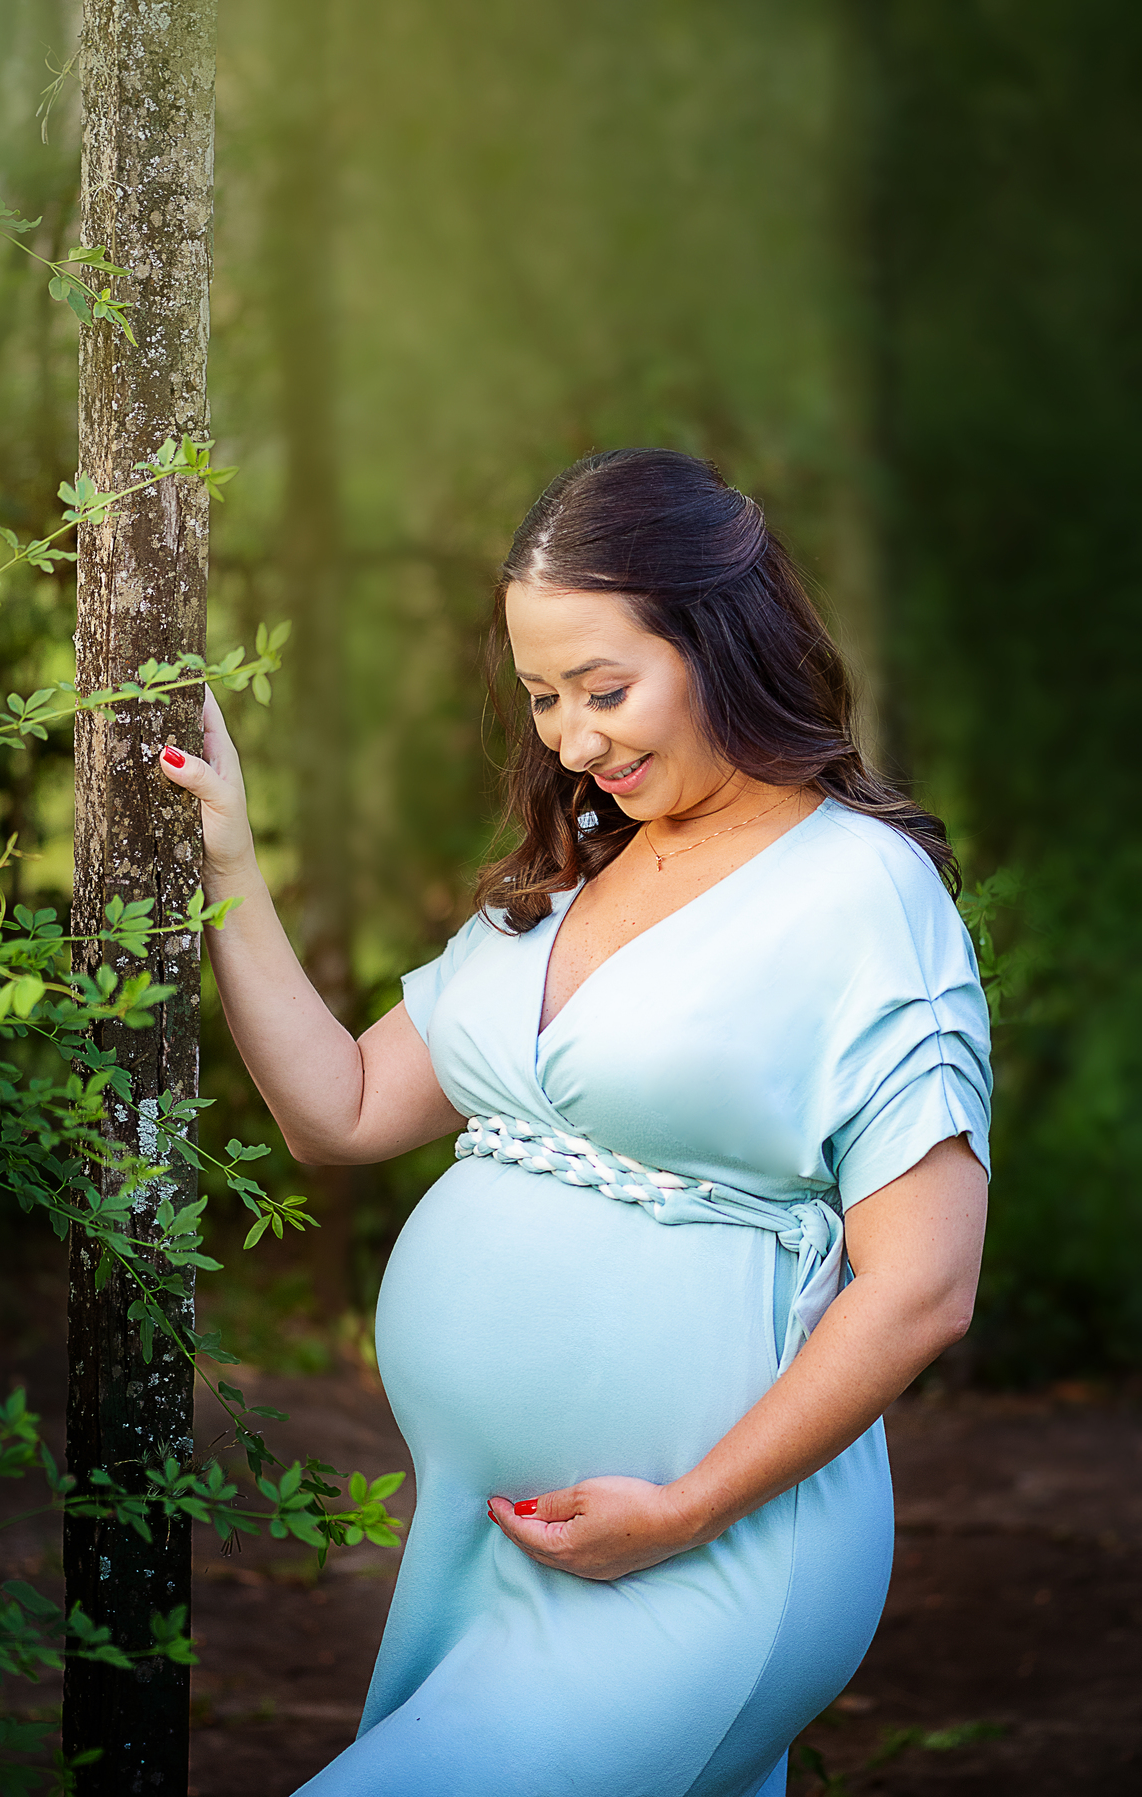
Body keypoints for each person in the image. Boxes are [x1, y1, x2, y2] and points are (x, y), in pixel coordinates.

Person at [159, 448, 991, 1797]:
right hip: (493, 1550)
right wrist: (230, 858)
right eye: (545, 696)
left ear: (724, 643)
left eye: (608, 689)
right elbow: (342, 1108)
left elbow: (925, 1287)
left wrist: (686, 1507)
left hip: (704, 1548)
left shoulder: (861, 892)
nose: (575, 738)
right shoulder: (564, 880)